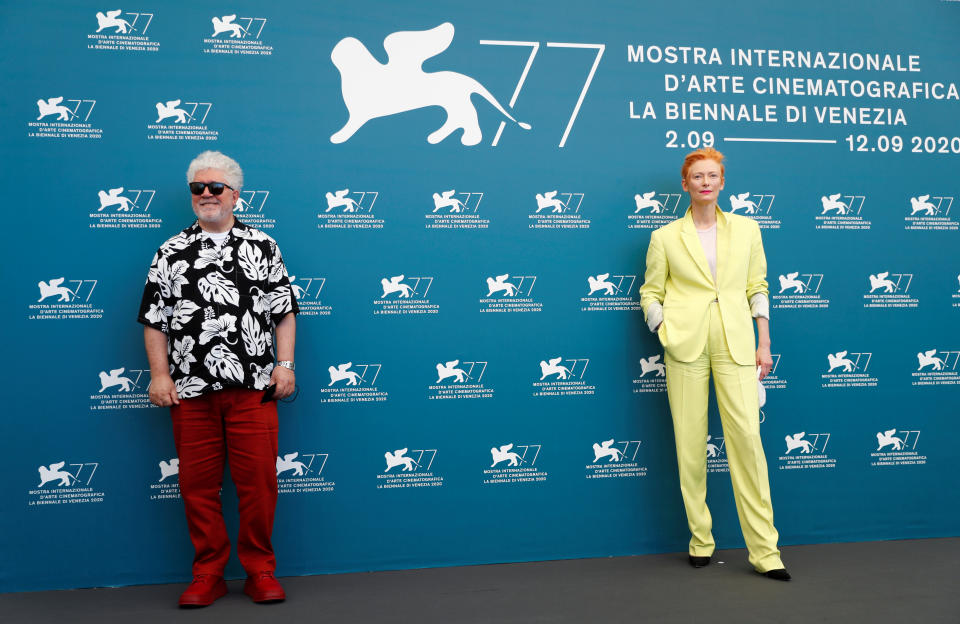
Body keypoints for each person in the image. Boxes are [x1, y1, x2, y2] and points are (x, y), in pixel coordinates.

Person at [138, 151, 299, 606]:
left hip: (253, 388)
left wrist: (284, 366)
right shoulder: (170, 251)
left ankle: (260, 570)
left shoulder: (264, 246)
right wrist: (158, 375)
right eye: (198, 188)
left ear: (235, 196)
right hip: (190, 391)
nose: (206, 195)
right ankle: (207, 573)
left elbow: (284, 313)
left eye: (215, 187)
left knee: (259, 483)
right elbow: (155, 320)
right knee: (197, 486)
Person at [638, 147, 790, 581]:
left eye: (712, 175)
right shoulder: (665, 237)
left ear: (722, 182)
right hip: (685, 345)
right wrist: (663, 325)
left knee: (747, 442)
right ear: (685, 184)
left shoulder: (747, 229)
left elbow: (757, 286)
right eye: (697, 176)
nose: (705, 182)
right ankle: (700, 540)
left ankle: (765, 551)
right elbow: (651, 291)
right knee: (689, 444)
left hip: (738, 343)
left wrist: (764, 342)